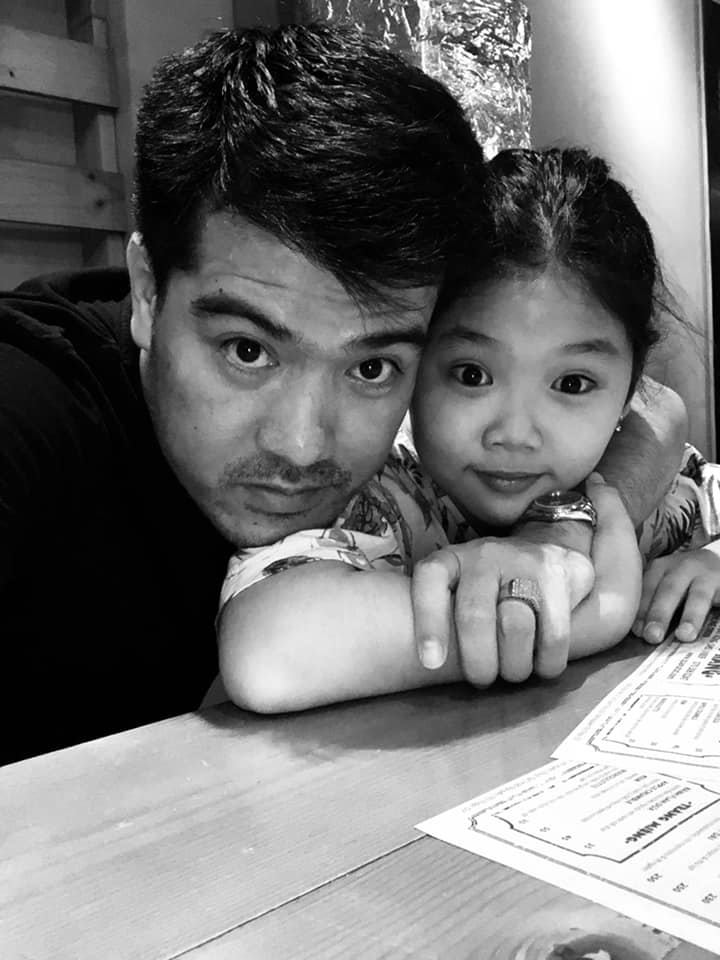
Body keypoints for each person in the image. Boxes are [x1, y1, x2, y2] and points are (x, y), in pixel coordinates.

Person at [0, 27, 683, 765]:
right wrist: (580, 604)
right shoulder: (35, 404)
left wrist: (564, 530)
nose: (302, 446)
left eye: (372, 368)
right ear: (146, 291)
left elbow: (655, 407)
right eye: (248, 351)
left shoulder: (443, 472)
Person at [216, 146, 715, 713]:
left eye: (572, 383)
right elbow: (269, 652)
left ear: (628, 388)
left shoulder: (643, 477)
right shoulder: (396, 495)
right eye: (472, 375)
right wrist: (597, 614)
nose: (515, 433)